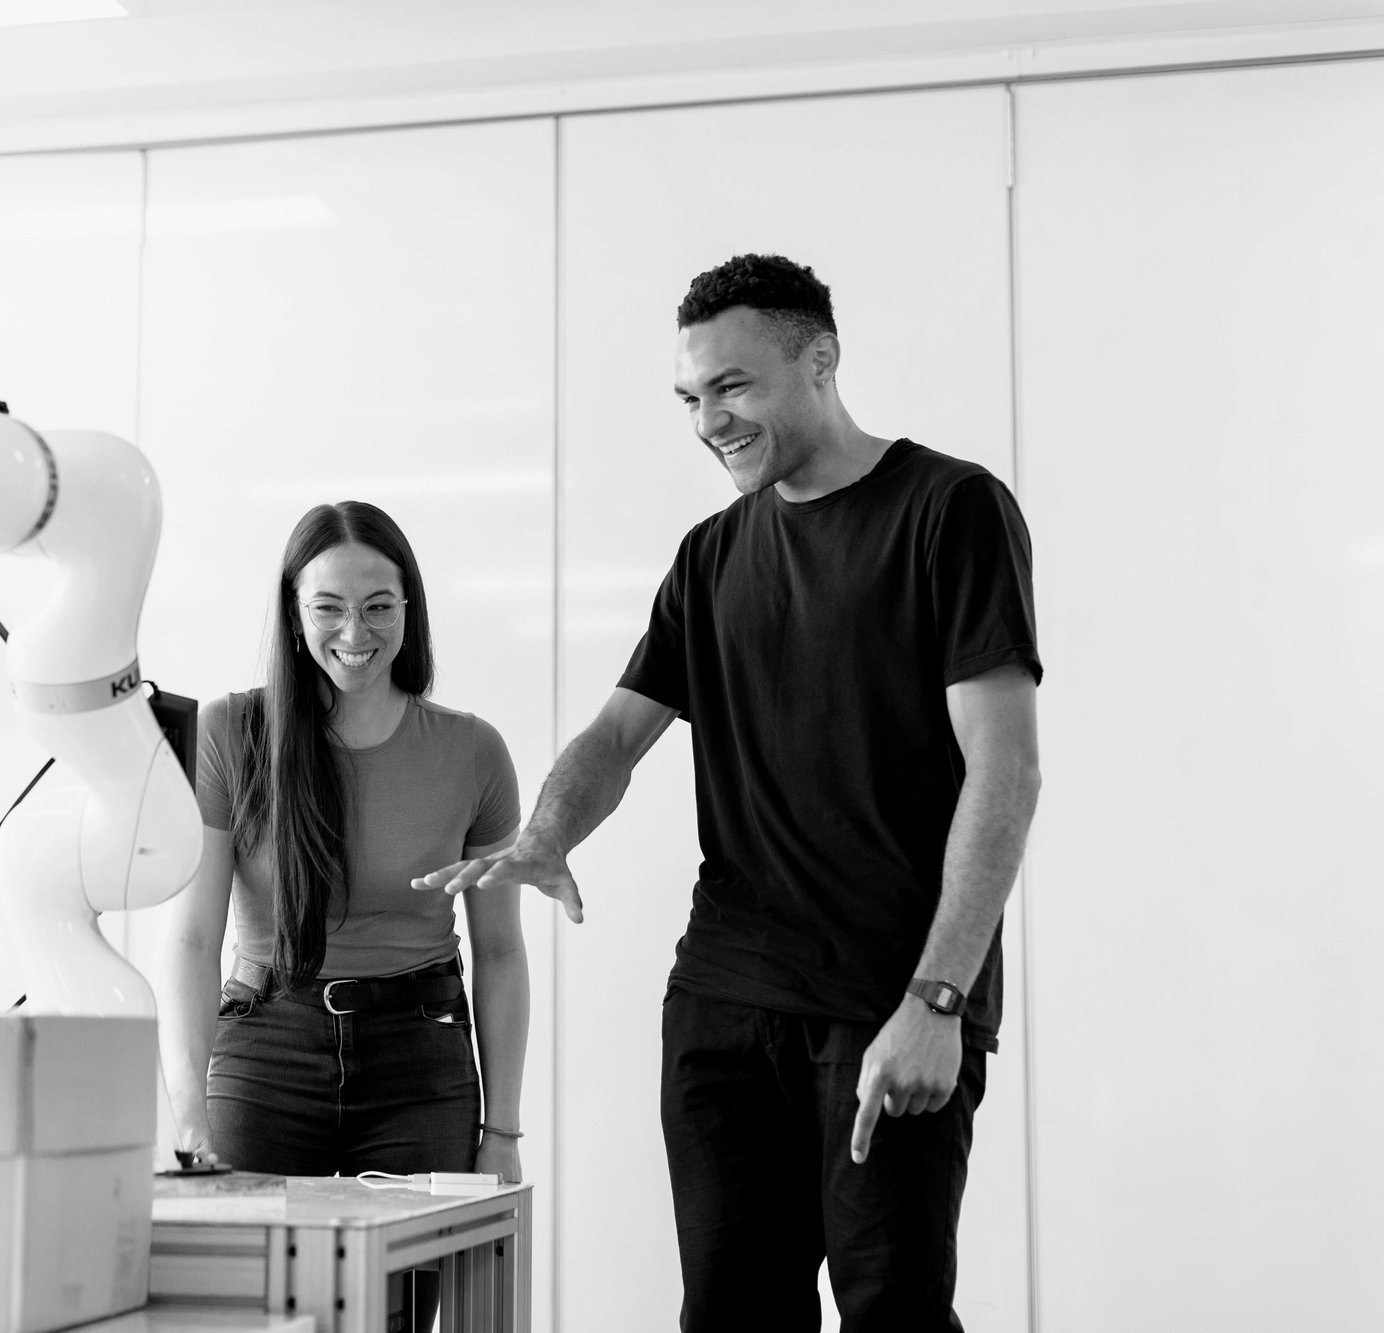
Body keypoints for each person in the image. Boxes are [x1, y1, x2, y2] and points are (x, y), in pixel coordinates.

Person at [418, 253, 1042, 1331]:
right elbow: (617, 733)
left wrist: (937, 1000)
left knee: (891, 1309)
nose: (708, 418)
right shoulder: (710, 555)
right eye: (690, 396)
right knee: (728, 1311)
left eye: (732, 385)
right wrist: (546, 830)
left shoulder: (949, 510)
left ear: (820, 360)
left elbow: (1006, 769)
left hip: (887, 999)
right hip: (723, 998)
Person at [158, 499, 529, 1192]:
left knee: (397, 1299)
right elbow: (190, 940)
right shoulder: (226, 732)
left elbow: (501, 950)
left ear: (408, 609)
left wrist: (502, 1131)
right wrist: (187, 1119)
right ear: (294, 614)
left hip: (420, 1056)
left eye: (379, 606)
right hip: (267, 1045)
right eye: (328, 606)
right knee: (255, 1291)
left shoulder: (473, 752)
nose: (355, 631)